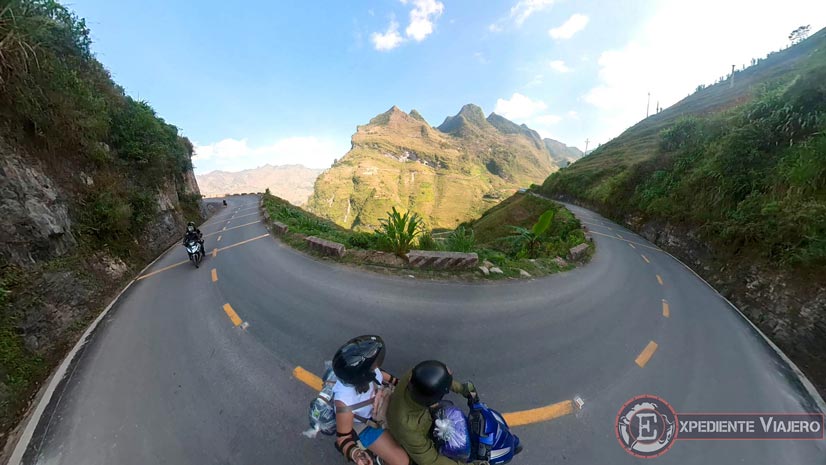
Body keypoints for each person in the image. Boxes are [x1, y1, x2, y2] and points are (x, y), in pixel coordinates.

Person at [387, 360, 489, 465]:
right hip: (412, 440)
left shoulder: (417, 376)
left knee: (447, 406)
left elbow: (438, 381)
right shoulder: (409, 428)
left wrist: (463, 389)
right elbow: (431, 460)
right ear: (431, 402)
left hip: (415, 415)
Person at [332, 335, 409, 465]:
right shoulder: (344, 402)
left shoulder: (367, 372)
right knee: (402, 461)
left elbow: (380, 374)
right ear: (364, 375)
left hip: (381, 406)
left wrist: (399, 383)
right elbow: (343, 438)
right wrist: (356, 454)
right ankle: (381, 459)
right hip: (367, 425)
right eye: (373, 367)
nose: (375, 367)